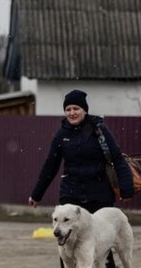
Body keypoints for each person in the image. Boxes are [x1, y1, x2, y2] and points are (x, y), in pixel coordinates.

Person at [28, 89, 133, 268]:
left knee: (101, 247)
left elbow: (117, 158)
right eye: (68, 109)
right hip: (71, 194)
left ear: (84, 110)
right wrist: (37, 194)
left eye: (76, 108)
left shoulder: (100, 131)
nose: (72, 113)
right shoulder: (61, 135)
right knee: (66, 244)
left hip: (99, 194)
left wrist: (126, 187)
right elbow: (50, 167)